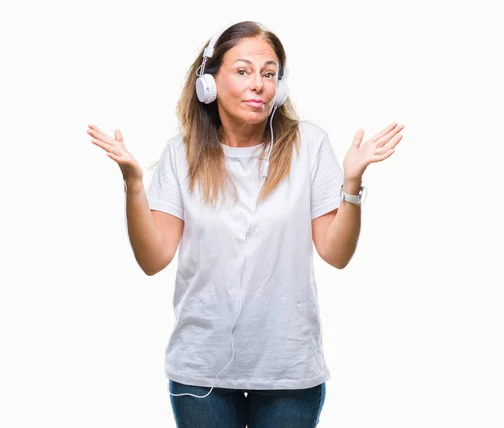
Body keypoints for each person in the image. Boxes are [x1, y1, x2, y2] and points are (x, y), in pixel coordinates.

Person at [87, 20, 403, 428]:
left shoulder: (309, 145)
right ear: (208, 82)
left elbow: (336, 253)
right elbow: (153, 259)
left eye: (269, 73)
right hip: (200, 372)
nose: (259, 84)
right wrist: (133, 185)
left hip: (289, 371)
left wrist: (352, 185)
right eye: (243, 70)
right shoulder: (181, 154)